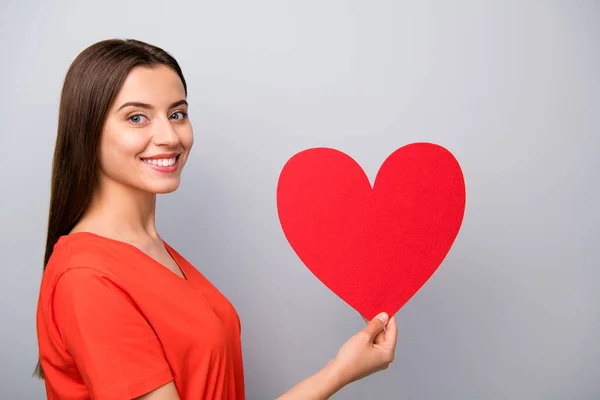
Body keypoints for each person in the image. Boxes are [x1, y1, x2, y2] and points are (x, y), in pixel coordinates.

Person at [34, 38, 398, 400]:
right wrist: (339, 374)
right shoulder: (86, 278)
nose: (169, 136)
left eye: (177, 113)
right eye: (137, 117)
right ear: (87, 130)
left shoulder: (149, 250)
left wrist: (341, 368)